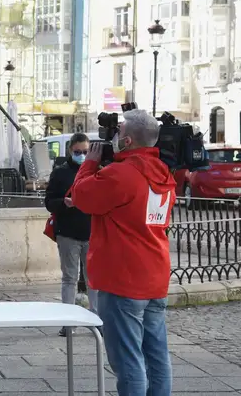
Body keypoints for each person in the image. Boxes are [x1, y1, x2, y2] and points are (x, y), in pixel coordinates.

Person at [70, 109, 176, 396]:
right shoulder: (164, 173)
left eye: (118, 133)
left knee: (128, 360)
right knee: (156, 356)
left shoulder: (122, 174)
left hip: (123, 278)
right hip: (154, 275)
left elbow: (81, 196)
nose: (113, 138)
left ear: (127, 141)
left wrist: (90, 164)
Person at [44, 133, 96, 337]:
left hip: (92, 232)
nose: (82, 156)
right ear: (69, 151)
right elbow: (49, 201)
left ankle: (95, 320)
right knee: (69, 278)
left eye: (85, 152)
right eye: (77, 152)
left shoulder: (96, 171)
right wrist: (63, 203)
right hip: (67, 233)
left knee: (93, 279)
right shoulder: (61, 173)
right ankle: (68, 322)